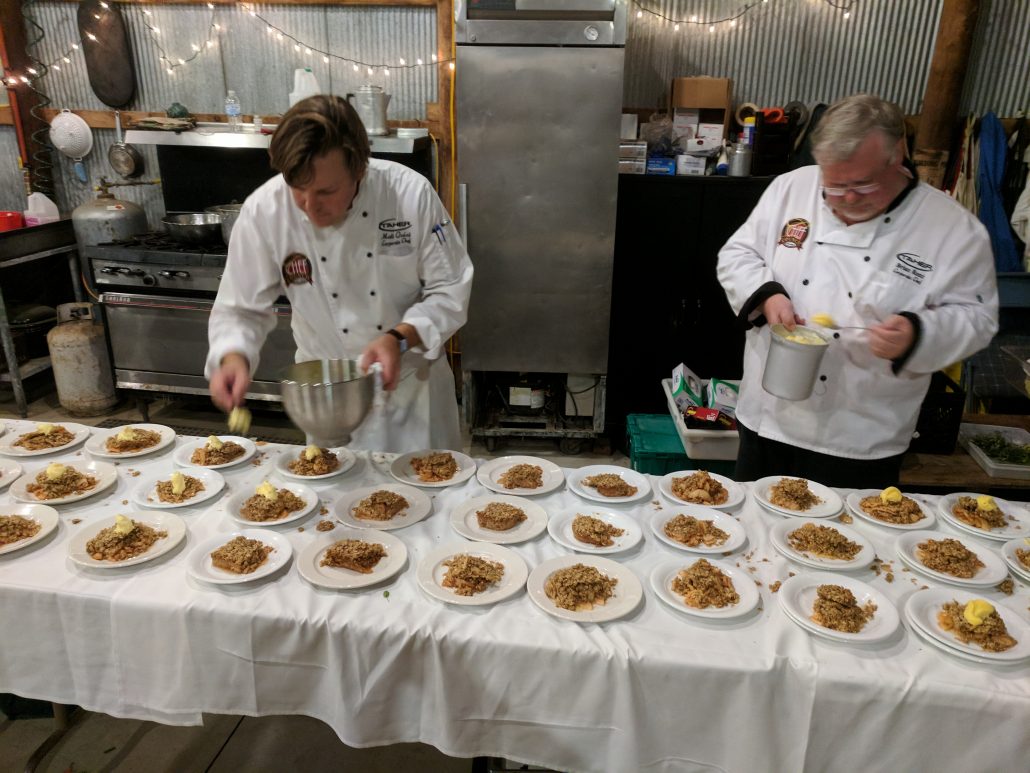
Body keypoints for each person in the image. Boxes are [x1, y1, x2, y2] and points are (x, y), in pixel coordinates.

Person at [717, 93, 998, 488]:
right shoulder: (790, 189)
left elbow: (978, 317)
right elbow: (738, 254)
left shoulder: (952, 227)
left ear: (897, 155)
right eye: (833, 186)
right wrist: (766, 294)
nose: (845, 200)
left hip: (863, 435)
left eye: (863, 185)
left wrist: (918, 333)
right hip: (769, 419)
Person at [206, 95, 473, 452]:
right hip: (325, 399)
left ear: (360, 168)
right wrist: (233, 354)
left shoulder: (409, 195)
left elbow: (450, 290)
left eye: (326, 191)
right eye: (297, 189)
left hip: (411, 393)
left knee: (430, 501)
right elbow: (240, 308)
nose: (310, 206)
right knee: (333, 503)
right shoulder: (264, 212)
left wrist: (401, 337)